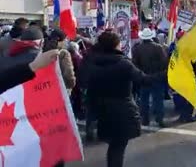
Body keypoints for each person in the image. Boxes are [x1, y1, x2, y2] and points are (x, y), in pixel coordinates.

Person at [79, 31, 164, 167]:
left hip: (103, 111)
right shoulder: (123, 64)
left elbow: (83, 82)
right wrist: (165, 74)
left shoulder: (92, 63)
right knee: (118, 148)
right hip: (123, 112)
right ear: (116, 45)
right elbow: (144, 80)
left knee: (114, 147)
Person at [132, 28, 169, 127]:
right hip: (157, 77)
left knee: (144, 100)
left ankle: (145, 119)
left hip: (144, 78)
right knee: (158, 100)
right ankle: (159, 119)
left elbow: (135, 64)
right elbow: (164, 63)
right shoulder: (159, 48)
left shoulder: (138, 49)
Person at [44, 29, 76, 95]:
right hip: (61, 87)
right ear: (59, 40)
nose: (66, 42)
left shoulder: (42, 49)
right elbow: (68, 73)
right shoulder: (63, 53)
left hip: (45, 86)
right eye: (65, 40)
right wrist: (71, 85)